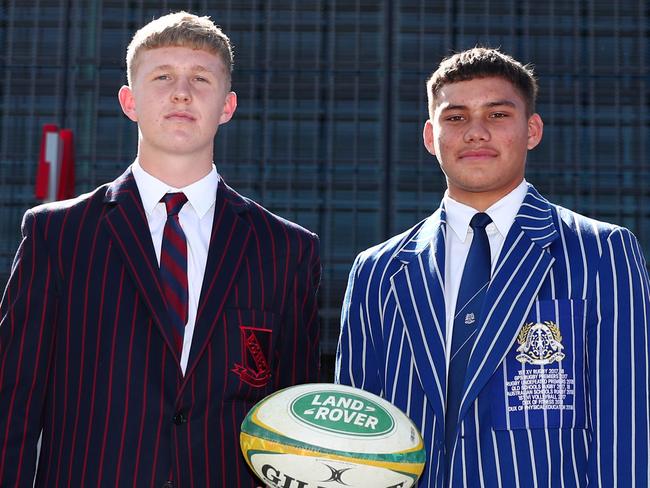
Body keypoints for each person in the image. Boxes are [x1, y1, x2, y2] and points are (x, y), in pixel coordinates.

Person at [0, 11, 320, 487]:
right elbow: (13, 402)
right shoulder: (58, 234)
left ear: (227, 106)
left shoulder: (286, 248)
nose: (181, 93)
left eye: (200, 78)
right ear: (129, 101)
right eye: (162, 77)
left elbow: (292, 420)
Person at [335, 47, 650, 487]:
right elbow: (356, 430)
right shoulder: (379, 270)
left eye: (498, 115)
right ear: (431, 136)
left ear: (532, 130)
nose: (476, 133)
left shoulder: (602, 251)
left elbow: (628, 421)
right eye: (456, 117)